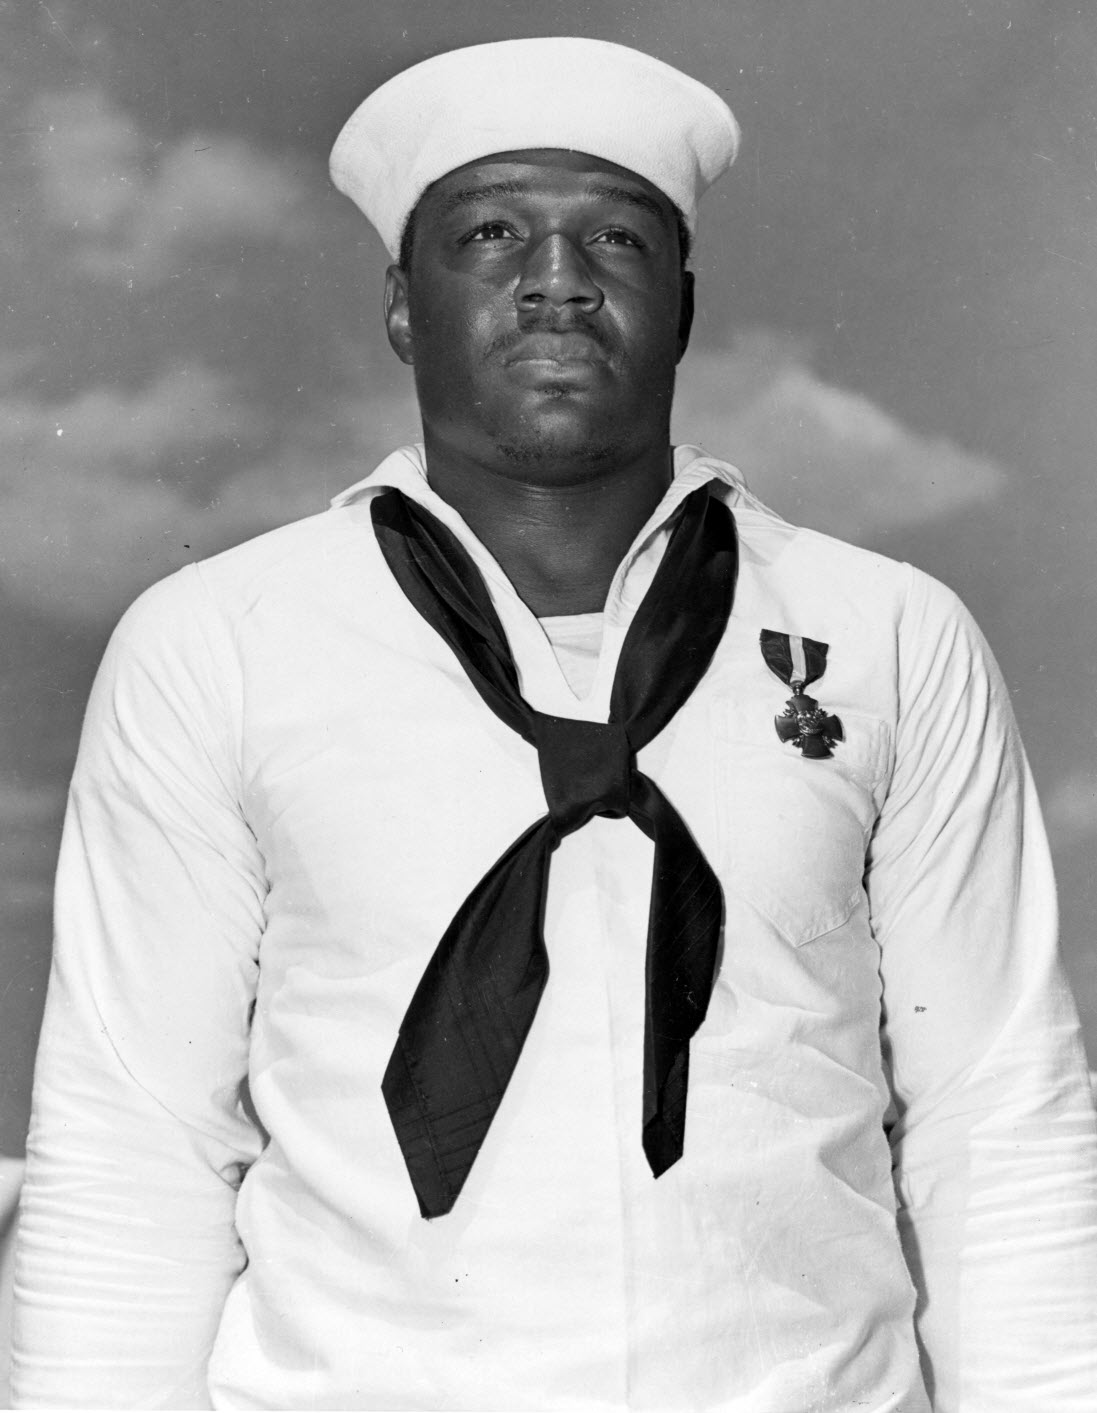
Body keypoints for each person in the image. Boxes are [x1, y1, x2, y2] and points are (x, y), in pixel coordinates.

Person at [11, 35, 1097, 1412]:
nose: (559, 279)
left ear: (683, 302)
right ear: (404, 304)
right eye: (492, 232)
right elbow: (135, 1141)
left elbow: (994, 1114)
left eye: (618, 240)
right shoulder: (217, 645)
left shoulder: (888, 633)